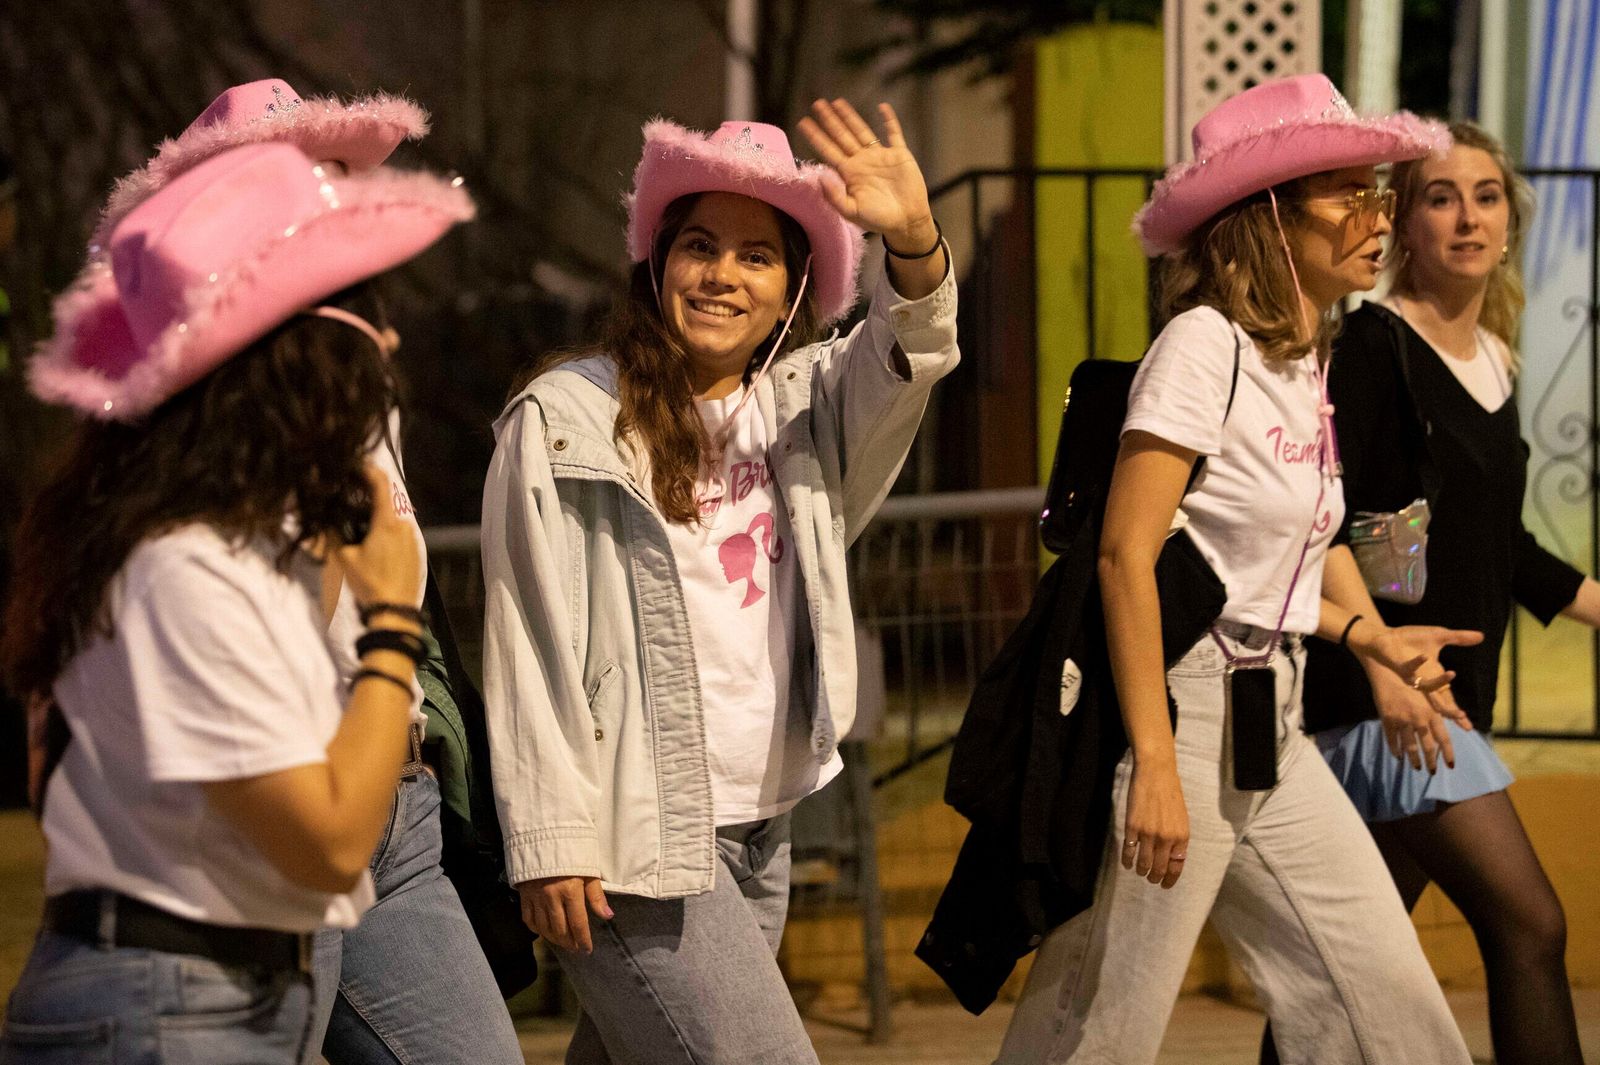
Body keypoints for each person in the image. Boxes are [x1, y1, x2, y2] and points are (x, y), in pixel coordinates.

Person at [993, 74, 1475, 1064]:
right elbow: (1129, 555)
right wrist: (1157, 764)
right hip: (1181, 712)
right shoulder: (1201, 346)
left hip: (1275, 718)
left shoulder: (1304, 362)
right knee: (1098, 1028)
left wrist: (1371, 640)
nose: (1376, 217)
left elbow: (1293, 553)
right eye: (1348, 194)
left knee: (1385, 1008)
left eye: (1379, 192)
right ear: (1266, 216)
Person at [481, 98, 957, 1064]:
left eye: (756, 256)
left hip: (765, 819)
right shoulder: (563, 420)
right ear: (657, 265)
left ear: (791, 293)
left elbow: (909, 358)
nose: (721, 275)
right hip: (638, 833)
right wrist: (548, 836)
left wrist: (914, 242)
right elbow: (525, 636)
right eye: (700, 245)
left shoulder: (808, 410)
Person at [0, 142, 472, 1062]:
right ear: (298, 361)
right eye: (368, 319)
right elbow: (331, 841)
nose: (393, 344)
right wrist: (390, 623)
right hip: (162, 1007)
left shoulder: (205, 538)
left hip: (213, 990)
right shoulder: (180, 565)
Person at [85, 79, 524, 1064]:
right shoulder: (172, 429)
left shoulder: (357, 375)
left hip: (393, 815)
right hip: (266, 819)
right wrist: (376, 618)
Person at [1264, 121, 1599, 1065]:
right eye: (1439, 198)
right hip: (1390, 701)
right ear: (1404, 226)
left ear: (1509, 219)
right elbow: (1347, 523)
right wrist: (1388, 659)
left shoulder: (1493, 359)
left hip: (1447, 698)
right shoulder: (1377, 348)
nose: (1466, 218)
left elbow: (1500, 544)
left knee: (1339, 973)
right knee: (1531, 926)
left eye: (1485, 196)